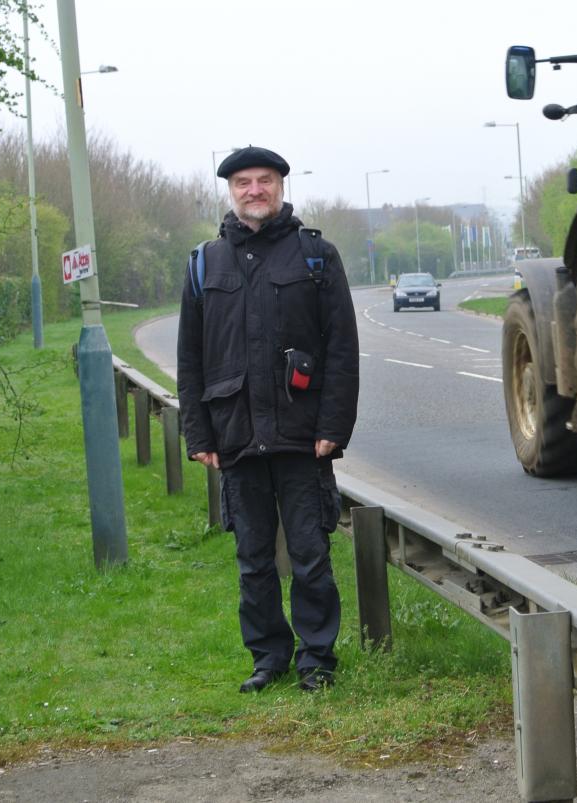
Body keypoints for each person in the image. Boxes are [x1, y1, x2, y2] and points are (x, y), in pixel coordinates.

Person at [176, 146, 359, 693]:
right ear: (230, 192)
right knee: (253, 560)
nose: (254, 190)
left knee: (309, 554)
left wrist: (333, 427)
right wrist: (197, 433)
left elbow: (342, 350)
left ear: (281, 185)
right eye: (243, 183)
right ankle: (268, 658)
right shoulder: (205, 263)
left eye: (264, 181)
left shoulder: (315, 256)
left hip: (302, 437)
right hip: (235, 435)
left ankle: (317, 660)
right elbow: (191, 357)